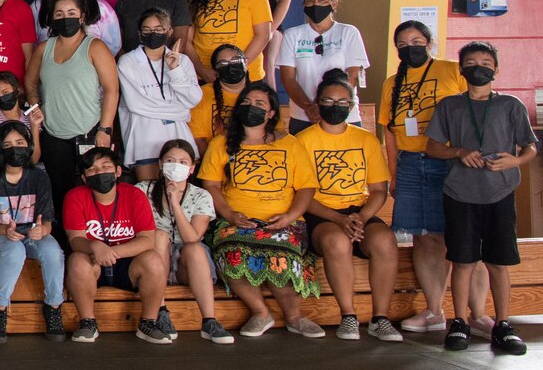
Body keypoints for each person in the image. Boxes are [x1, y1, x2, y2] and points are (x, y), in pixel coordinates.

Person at [425, 42, 534, 354]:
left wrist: (515, 161)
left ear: (496, 69)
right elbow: (432, 147)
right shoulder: (450, 106)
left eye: (486, 62)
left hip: (500, 193)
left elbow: (529, 148)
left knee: (499, 262)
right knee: (463, 261)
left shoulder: (511, 105)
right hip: (460, 194)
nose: (479, 67)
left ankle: (502, 324)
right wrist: (458, 151)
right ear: (461, 69)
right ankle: (460, 322)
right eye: (471, 62)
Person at [198, 82, 324, 338]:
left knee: (282, 259)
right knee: (228, 252)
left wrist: (289, 217)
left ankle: (294, 318)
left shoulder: (290, 144)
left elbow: (306, 188)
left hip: (284, 222)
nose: (251, 107)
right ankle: (260, 313)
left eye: (259, 104)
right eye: (246, 102)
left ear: (271, 113)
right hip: (237, 221)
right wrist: (230, 215)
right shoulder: (221, 143)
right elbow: (210, 185)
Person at [378, 21, 474, 334]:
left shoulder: (452, 70)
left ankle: (478, 313)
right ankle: (434, 311)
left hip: (449, 161)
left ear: (430, 42)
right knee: (424, 236)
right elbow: (389, 132)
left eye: (417, 41)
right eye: (403, 44)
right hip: (410, 163)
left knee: (460, 236)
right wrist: (393, 172)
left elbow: (475, 112)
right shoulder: (393, 82)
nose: (411, 48)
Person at [294, 72, 402, 342]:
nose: (335, 106)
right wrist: (338, 220)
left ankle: (380, 318)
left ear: (352, 106)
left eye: (343, 102)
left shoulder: (365, 139)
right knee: (337, 242)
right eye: (328, 101)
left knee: (385, 241)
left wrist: (361, 218)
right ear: (317, 104)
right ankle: (349, 316)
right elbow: (301, 194)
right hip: (321, 214)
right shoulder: (302, 140)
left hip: (359, 213)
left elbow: (379, 190)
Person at [62, 148, 172, 345]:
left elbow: (147, 239)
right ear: (85, 178)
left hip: (127, 263)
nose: (100, 173)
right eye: (92, 170)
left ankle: (149, 322)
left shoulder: (134, 195)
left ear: (118, 171)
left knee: (154, 260)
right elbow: (75, 239)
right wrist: (95, 246)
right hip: (93, 261)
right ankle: (88, 323)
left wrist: (112, 252)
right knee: (77, 260)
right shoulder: (75, 196)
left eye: (106, 167)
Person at [0, 120, 66, 343]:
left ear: (29, 145)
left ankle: (53, 307)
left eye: (20, 142)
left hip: (30, 233)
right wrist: (5, 230)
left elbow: (48, 220)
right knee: (14, 250)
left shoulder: (39, 177)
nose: (14, 148)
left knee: (53, 251)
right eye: (7, 145)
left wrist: (43, 230)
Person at [27, 0, 120, 210]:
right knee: (61, 191)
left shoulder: (95, 46)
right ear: (51, 18)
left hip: (90, 130)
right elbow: (30, 83)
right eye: (59, 14)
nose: (65, 18)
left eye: (71, 13)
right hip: (54, 133)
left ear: (82, 17)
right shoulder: (44, 48)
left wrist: (105, 129)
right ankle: (66, 239)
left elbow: (111, 90)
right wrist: (35, 107)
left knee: (95, 186)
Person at [139, 139, 231, 344]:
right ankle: (160, 311)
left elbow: (192, 236)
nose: (176, 165)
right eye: (170, 160)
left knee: (195, 248)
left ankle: (209, 321)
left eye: (182, 162)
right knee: (159, 236)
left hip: (184, 264)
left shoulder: (201, 195)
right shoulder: (142, 190)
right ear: (161, 164)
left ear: (191, 168)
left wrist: (175, 203)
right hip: (152, 260)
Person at [116, 7, 203, 181]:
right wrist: (180, 111)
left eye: (158, 30)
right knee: (149, 196)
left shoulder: (182, 61)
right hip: (144, 137)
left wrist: (175, 70)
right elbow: (135, 105)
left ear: (169, 31)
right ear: (140, 33)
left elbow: (194, 99)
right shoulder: (128, 62)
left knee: (177, 195)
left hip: (177, 136)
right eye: (147, 30)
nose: (152, 34)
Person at [277, 0, 370, 132]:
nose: (315, 4)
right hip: (304, 116)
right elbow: (288, 79)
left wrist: (329, 105)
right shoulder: (292, 35)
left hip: (342, 114)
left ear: (334, 4)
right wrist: (310, 108)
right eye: (310, 1)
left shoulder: (349, 32)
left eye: (322, 0)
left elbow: (352, 76)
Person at [190, 43, 250, 150]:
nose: (230, 65)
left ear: (246, 63)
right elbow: (198, 140)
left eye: (235, 60)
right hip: (212, 159)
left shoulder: (261, 94)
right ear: (216, 71)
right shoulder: (201, 94)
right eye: (223, 63)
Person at [0, 72, 41, 164]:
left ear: (17, 91)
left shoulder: (31, 117)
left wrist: (35, 125)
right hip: (0, 171)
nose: (1, 97)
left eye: (5, 92)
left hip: (26, 170)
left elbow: (34, 159)